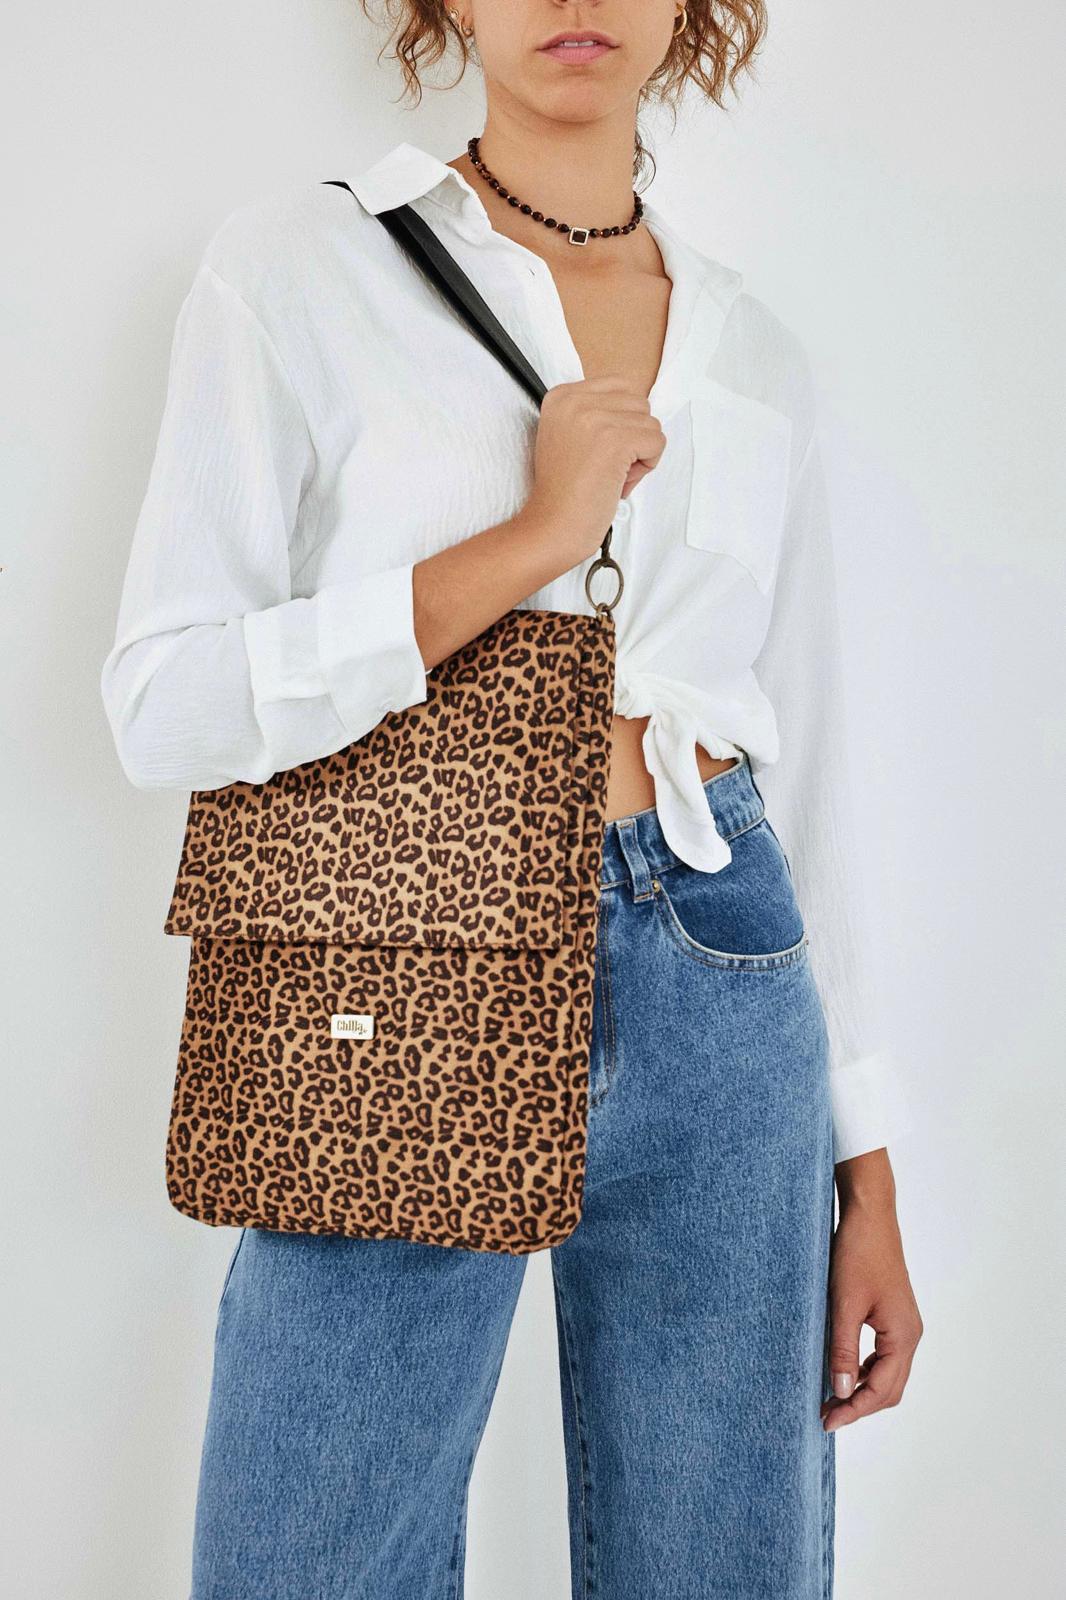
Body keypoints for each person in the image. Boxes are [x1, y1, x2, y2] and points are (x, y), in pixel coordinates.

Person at [100, 2, 923, 1594]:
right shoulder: (302, 266)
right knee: (312, 1560)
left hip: (722, 958)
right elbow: (163, 703)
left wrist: (864, 1170)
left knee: (725, 1562)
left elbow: (808, 756)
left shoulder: (752, 347)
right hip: (404, 960)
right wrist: (532, 542)